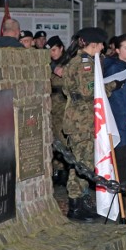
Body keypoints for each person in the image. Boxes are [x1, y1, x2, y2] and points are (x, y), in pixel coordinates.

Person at [61, 27, 118, 222]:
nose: (103, 47)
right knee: (81, 164)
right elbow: (88, 90)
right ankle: (75, 206)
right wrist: (111, 86)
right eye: (101, 43)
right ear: (93, 43)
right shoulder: (84, 63)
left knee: (82, 163)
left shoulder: (82, 61)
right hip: (81, 122)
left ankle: (81, 202)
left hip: (81, 120)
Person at [104, 34, 126, 224]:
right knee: (123, 172)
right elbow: (121, 103)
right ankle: (123, 212)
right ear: (117, 50)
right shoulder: (114, 69)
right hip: (121, 128)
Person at [47, 36, 69, 187]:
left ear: (61, 48)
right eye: (50, 51)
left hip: (63, 105)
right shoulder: (49, 64)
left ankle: (66, 170)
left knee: (63, 138)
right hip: (51, 105)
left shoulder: (67, 62)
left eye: (54, 50)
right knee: (53, 138)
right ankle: (57, 169)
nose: (52, 53)